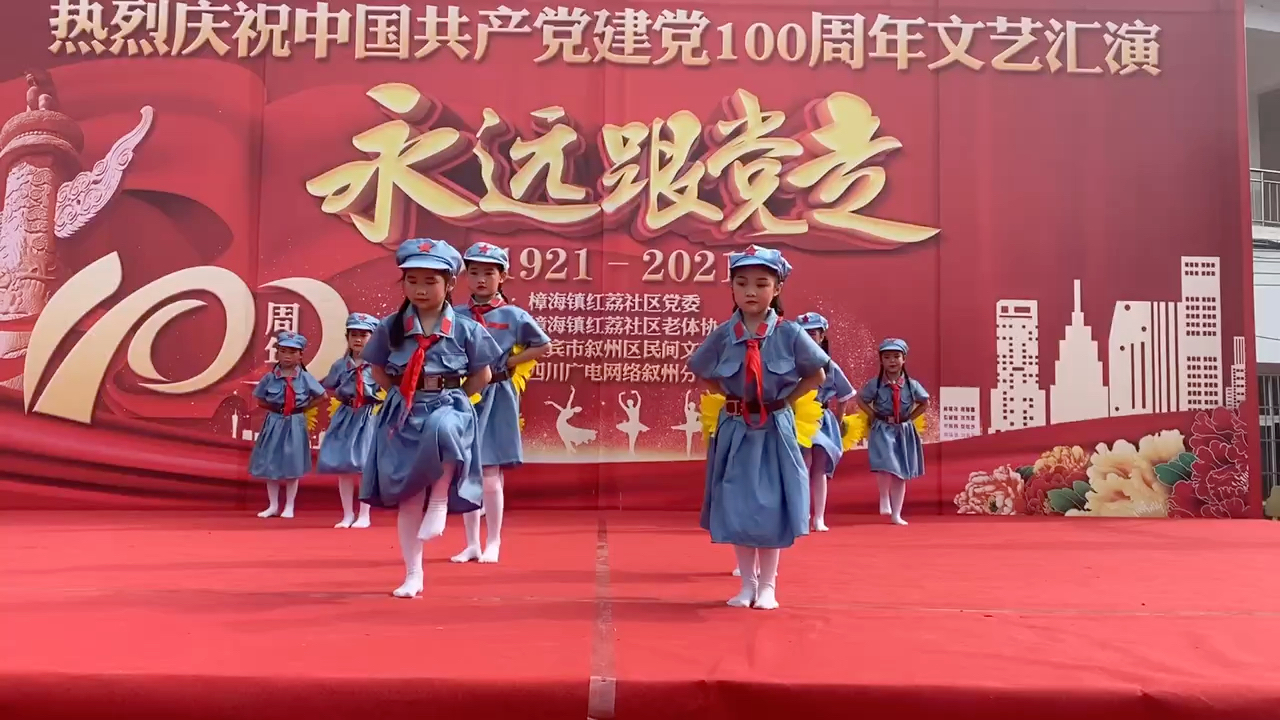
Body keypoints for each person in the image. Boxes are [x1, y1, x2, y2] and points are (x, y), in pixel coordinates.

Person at [686, 245, 828, 611]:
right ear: (731, 288)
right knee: (737, 503)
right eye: (742, 283)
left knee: (771, 506)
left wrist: (785, 401)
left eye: (761, 284)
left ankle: (768, 586)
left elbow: (816, 374)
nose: (751, 291)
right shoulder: (723, 335)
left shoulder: (790, 333)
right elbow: (701, 370)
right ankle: (746, 585)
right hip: (736, 429)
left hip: (774, 429)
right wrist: (731, 397)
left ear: (777, 288)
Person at [360, 238, 503, 598]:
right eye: (412, 281)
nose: (420, 289)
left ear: (450, 283)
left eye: (430, 281)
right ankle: (413, 574)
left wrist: (460, 398)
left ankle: (439, 499)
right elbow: (377, 369)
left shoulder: (467, 328)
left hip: (448, 402)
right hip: (406, 410)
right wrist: (401, 393)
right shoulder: (391, 326)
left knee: (445, 427)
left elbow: (483, 375)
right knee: (409, 499)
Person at [450, 242, 551, 565]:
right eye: (474, 272)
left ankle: (493, 540)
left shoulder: (513, 315)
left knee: (490, 471)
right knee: (466, 470)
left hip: (497, 394)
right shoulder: (456, 314)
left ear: (503, 277)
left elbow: (542, 345)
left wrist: (510, 362)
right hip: (465, 394)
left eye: (488, 273)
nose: (481, 279)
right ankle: (471, 543)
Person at [248, 331, 327, 519]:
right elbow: (259, 399)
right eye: (283, 351)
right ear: (277, 353)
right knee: (271, 463)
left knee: (293, 463)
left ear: (300, 355)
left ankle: (289, 506)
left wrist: (303, 407)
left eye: (292, 352)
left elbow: (323, 396)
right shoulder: (270, 378)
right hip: (274, 422)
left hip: (295, 422)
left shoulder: (305, 378)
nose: (287, 356)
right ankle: (273, 505)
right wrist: (276, 409)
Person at [317, 312, 382, 529]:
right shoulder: (340, 366)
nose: (358, 339)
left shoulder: (379, 365)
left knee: (364, 466)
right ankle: (347, 514)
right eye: (354, 334)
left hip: (369, 415)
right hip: (346, 415)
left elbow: (387, 388)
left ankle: (364, 514)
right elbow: (330, 385)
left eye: (364, 335)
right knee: (344, 467)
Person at [857, 338, 929, 526]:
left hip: (903, 430)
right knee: (885, 462)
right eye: (887, 357)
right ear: (881, 360)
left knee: (900, 472)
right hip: (883, 427)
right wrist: (872, 414)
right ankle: (884, 497)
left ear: (904, 359)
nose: (892, 361)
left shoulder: (912, 385)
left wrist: (910, 418)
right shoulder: (876, 384)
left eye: (896, 356)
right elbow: (861, 399)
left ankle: (896, 513)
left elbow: (924, 402)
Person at [795, 312, 855, 532]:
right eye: (804, 334)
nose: (809, 338)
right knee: (802, 465)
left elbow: (844, 395)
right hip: (798, 419)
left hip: (822, 418)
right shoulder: (791, 363)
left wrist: (838, 421)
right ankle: (801, 515)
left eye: (813, 333)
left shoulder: (829, 365)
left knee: (820, 467)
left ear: (822, 336)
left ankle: (819, 517)